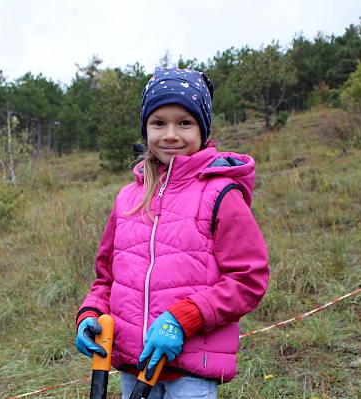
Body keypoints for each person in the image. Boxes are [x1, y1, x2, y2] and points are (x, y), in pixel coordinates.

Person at [74, 66, 269, 399]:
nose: (170, 135)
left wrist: (183, 319)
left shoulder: (221, 194)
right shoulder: (127, 199)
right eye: (158, 123)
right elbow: (107, 278)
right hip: (135, 367)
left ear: (202, 129)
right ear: (145, 127)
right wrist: (91, 312)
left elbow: (248, 279)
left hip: (189, 373)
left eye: (184, 123)